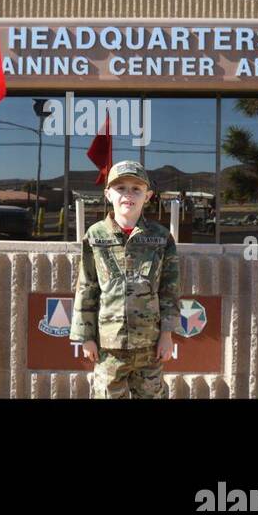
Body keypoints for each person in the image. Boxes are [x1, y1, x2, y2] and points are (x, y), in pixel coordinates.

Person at [70, 160, 180, 399]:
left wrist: (167, 335)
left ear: (147, 196)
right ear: (108, 194)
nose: (128, 194)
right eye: (120, 188)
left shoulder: (161, 238)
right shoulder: (95, 236)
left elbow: (169, 290)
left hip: (149, 346)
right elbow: (87, 287)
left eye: (136, 189)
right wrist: (86, 337)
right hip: (109, 347)